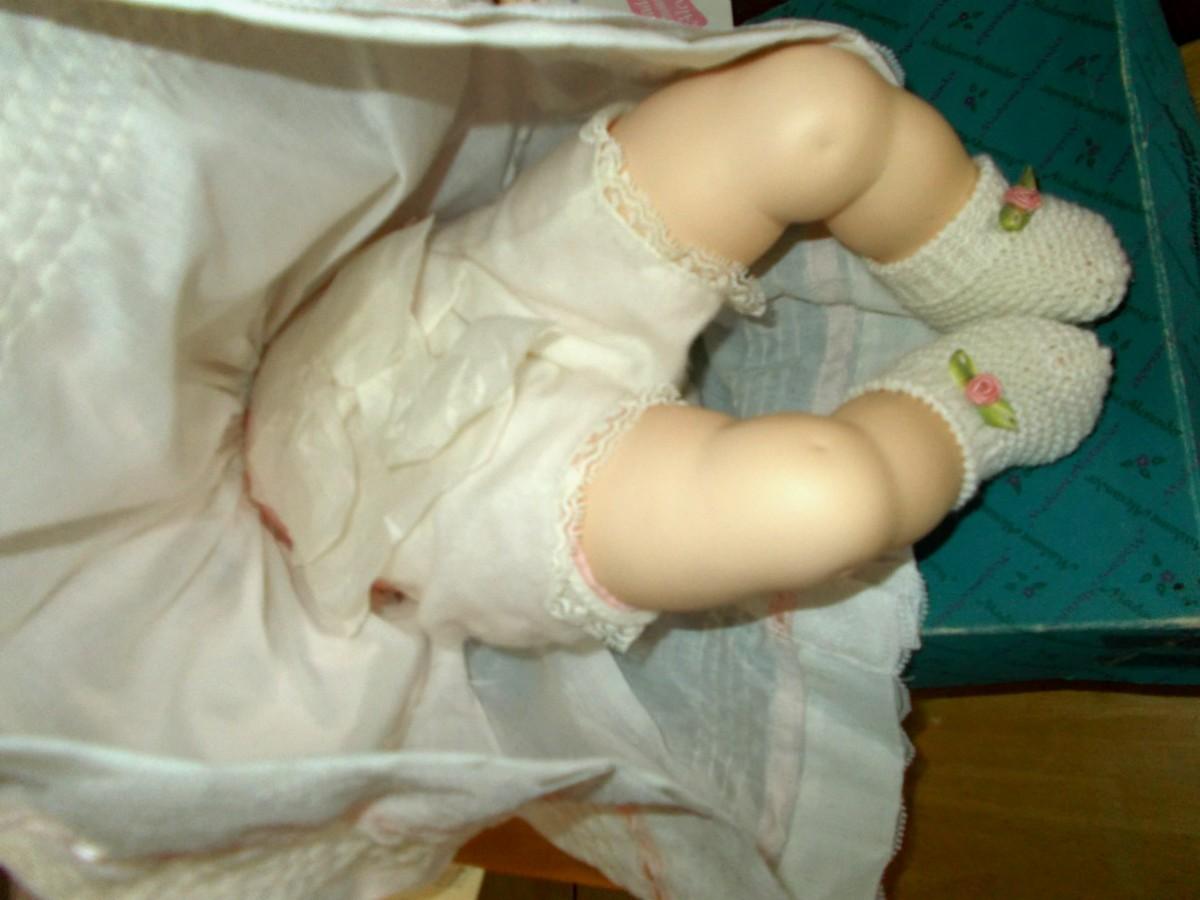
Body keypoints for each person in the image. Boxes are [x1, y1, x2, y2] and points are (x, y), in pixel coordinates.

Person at [244, 42, 1129, 652]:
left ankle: (957, 243)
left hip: (413, 299)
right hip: (393, 515)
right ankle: (958, 409)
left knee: (815, 107)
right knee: (822, 495)